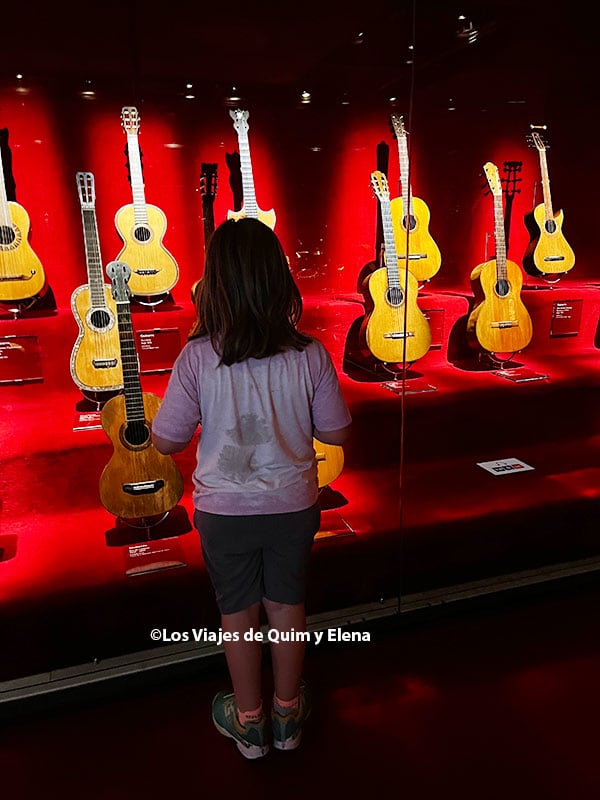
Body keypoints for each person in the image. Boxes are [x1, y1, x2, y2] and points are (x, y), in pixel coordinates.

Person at [151, 217, 352, 759]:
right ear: (278, 279)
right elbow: (335, 431)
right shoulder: (309, 353)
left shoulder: (196, 357)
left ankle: (250, 722)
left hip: (224, 511)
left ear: (213, 285)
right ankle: (288, 715)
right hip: (293, 505)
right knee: (287, 605)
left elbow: (167, 442)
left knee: (236, 612)